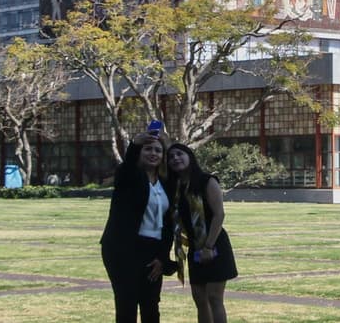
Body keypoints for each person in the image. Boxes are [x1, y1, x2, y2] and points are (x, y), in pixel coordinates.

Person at [101, 131, 175, 323]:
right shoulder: (129, 177)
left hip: (153, 248)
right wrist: (135, 144)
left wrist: (162, 257)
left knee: (151, 304)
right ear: (139, 153)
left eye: (158, 150)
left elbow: (168, 225)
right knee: (127, 303)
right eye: (148, 149)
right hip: (123, 249)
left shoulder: (166, 183)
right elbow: (127, 166)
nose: (153, 153)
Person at [166, 143, 238, 323]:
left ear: (190, 156)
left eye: (180, 154)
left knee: (214, 298)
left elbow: (219, 215)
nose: (175, 158)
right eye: (171, 156)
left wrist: (208, 246)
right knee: (199, 299)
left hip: (214, 244)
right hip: (195, 248)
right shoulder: (175, 187)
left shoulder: (207, 181)